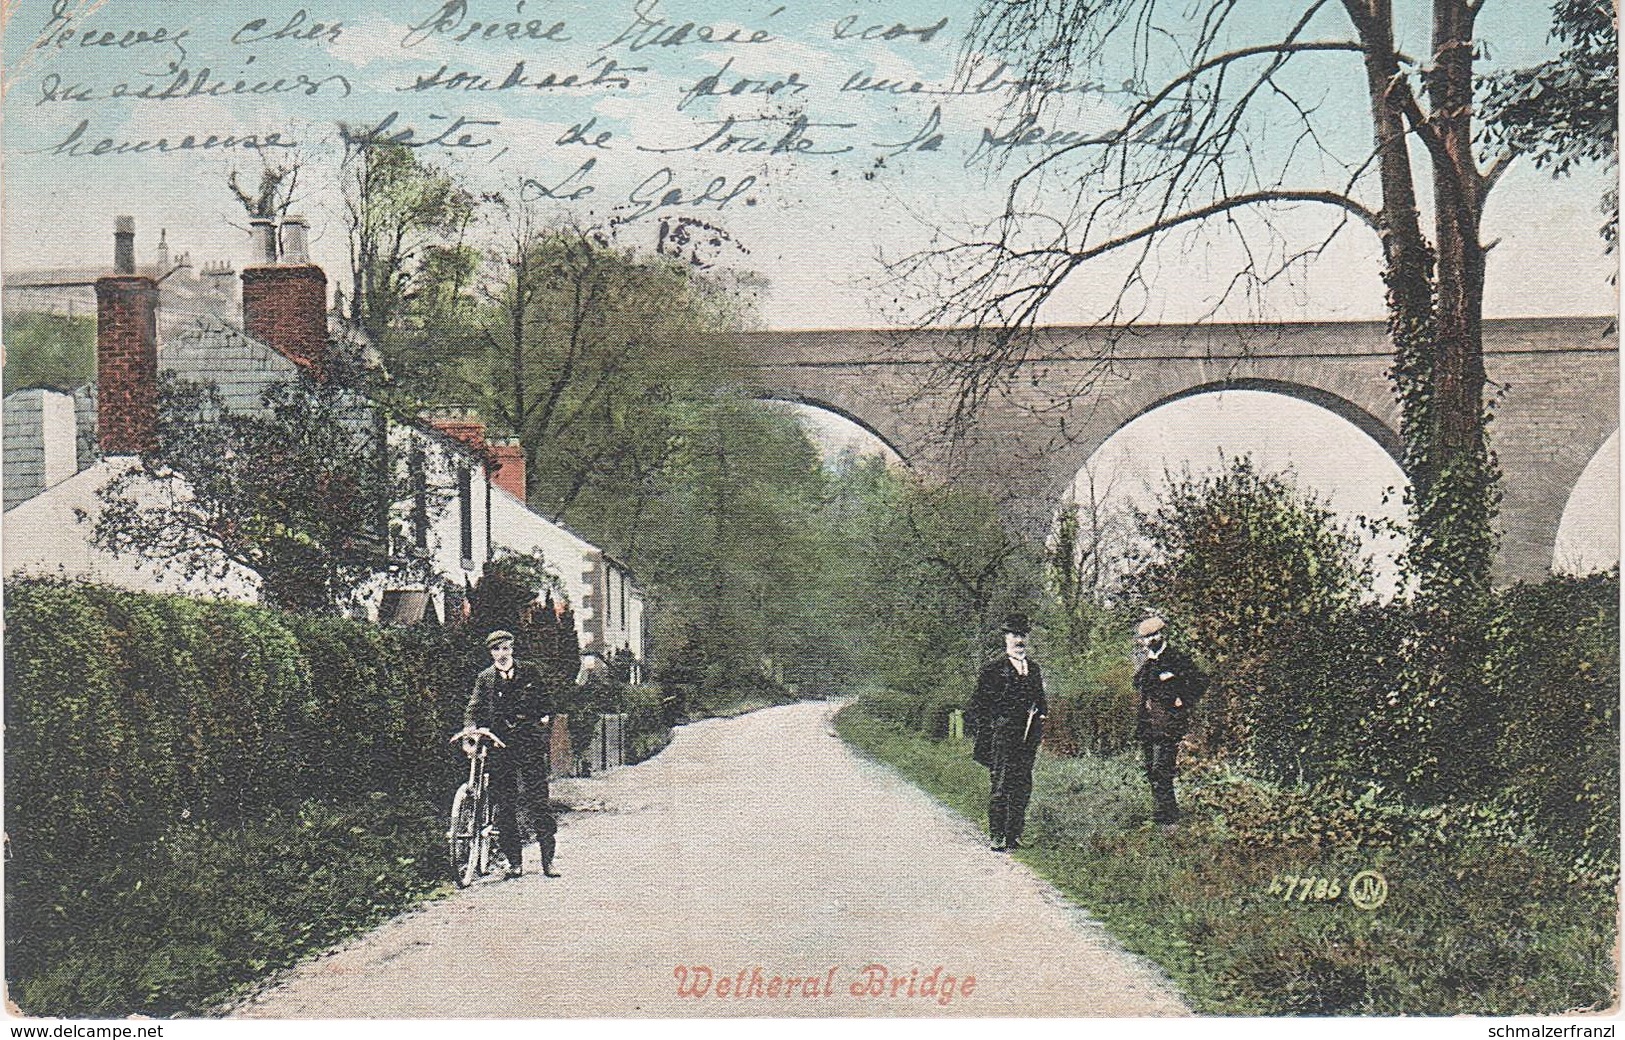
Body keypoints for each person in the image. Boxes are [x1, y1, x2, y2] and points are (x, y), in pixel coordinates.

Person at [465, 630, 561, 878]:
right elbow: (473, 709)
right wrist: (470, 733)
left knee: (538, 802)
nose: (501, 654)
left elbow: (547, 706)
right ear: (491, 652)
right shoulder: (485, 678)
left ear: (512, 649)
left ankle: (547, 861)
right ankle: (515, 862)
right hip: (500, 748)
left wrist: (541, 730)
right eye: (496, 650)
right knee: (504, 805)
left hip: (529, 746)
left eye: (505, 649)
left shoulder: (530, 672)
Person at [968, 614, 1048, 852]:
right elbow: (979, 706)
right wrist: (994, 726)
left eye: (1022, 635)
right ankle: (997, 835)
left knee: (1022, 785)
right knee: (1002, 785)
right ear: (1006, 638)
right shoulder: (993, 670)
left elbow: (1041, 701)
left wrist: (1041, 713)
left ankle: (1014, 835)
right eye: (1014, 635)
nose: (1019, 640)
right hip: (1002, 738)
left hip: (1028, 738)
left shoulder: (1033, 669)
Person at [1133, 616, 1206, 829]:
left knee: (1162, 768)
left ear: (1162, 635)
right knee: (1151, 769)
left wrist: (1183, 698)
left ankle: (1168, 817)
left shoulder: (1177, 659)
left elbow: (1200, 681)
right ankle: (1163, 812)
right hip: (1148, 723)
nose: (1149, 641)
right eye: (1145, 638)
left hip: (1169, 722)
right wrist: (1155, 670)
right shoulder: (1149, 662)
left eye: (1153, 636)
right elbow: (1137, 683)